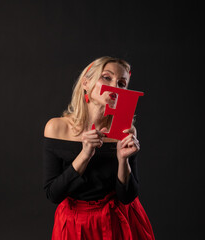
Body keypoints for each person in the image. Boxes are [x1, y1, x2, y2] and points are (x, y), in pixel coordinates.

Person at [43, 56, 155, 240]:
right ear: (86, 83)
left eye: (122, 83)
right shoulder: (56, 128)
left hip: (117, 221)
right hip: (74, 224)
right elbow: (53, 194)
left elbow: (127, 197)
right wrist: (85, 155)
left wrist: (123, 159)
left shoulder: (125, 129)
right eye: (107, 77)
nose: (115, 87)